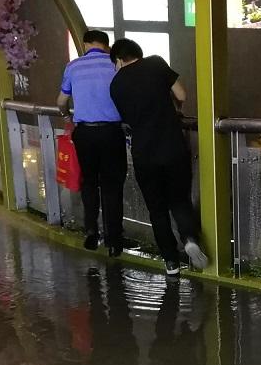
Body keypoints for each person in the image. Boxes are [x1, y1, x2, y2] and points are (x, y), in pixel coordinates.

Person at [109, 38, 208, 277]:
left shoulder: (116, 84)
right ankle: (189, 238)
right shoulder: (155, 63)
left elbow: (127, 118)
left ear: (119, 60)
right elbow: (181, 94)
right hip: (173, 146)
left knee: (156, 209)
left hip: (144, 152)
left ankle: (171, 261)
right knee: (179, 200)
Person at [57, 31, 127, 256]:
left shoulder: (73, 66)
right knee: (112, 185)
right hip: (112, 132)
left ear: (86, 44)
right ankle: (114, 240)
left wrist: (67, 117)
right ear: (107, 45)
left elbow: (61, 101)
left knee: (89, 181)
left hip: (85, 133)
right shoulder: (115, 64)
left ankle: (91, 230)